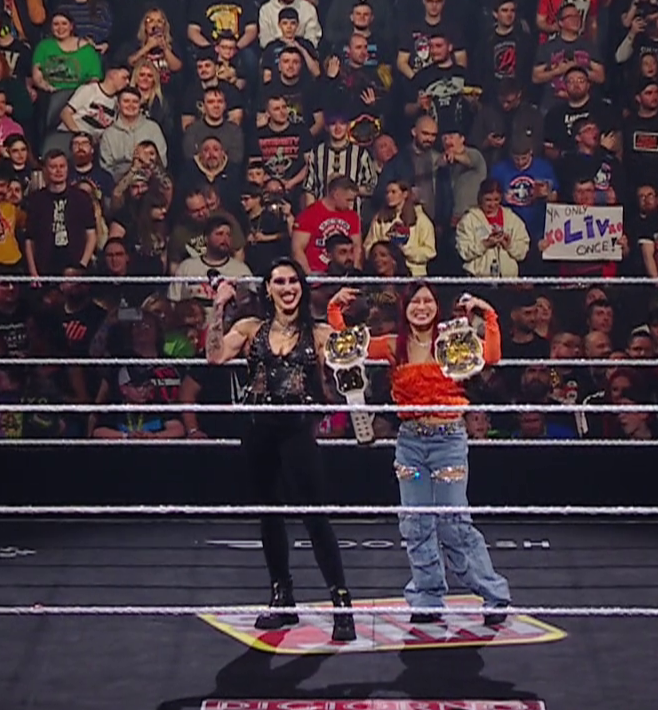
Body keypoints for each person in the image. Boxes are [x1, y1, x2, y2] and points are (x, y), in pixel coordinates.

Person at [327, 282, 512, 626]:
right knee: (415, 522)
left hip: (448, 441)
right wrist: (335, 310)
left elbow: (492, 356)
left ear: (436, 306)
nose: (421, 307)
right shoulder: (394, 346)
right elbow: (350, 346)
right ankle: (427, 597)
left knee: (454, 523)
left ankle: (493, 594)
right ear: (405, 307)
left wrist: (489, 316)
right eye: (415, 301)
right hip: (410, 443)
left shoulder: (452, 341)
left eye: (428, 301)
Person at [205, 259, 355, 641]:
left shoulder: (318, 333)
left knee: (315, 517)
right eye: (280, 282)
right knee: (269, 515)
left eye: (293, 281)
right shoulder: (250, 328)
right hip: (258, 430)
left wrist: (341, 328)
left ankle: (341, 603)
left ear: (302, 287)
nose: (288, 288)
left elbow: (348, 367)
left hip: (298, 431)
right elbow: (215, 355)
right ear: (268, 289)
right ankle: (282, 597)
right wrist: (218, 305)